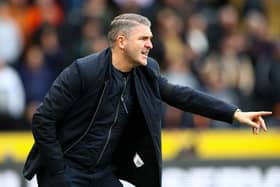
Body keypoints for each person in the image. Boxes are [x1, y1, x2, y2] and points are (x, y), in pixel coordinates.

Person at [22, 13, 271, 187]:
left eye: (150, 38)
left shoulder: (146, 71)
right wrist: (58, 171)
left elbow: (181, 96)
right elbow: (43, 120)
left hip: (101, 173)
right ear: (121, 41)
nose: (151, 45)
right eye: (144, 39)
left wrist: (234, 113)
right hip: (66, 169)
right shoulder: (82, 71)